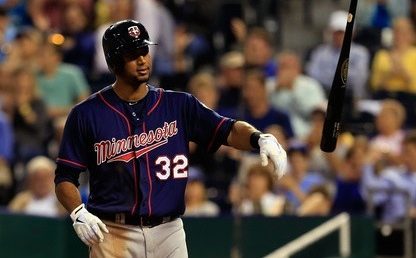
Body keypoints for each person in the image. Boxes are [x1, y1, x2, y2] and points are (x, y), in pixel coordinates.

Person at [54, 19, 288, 257]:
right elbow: (65, 176)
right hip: (114, 231)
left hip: (169, 230)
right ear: (114, 61)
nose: (142, 59)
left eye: (144, 50)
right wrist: (77, 212)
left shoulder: (179, 104)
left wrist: (259, 138)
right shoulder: (87, 113)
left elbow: (227, 129)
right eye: (133, 54)